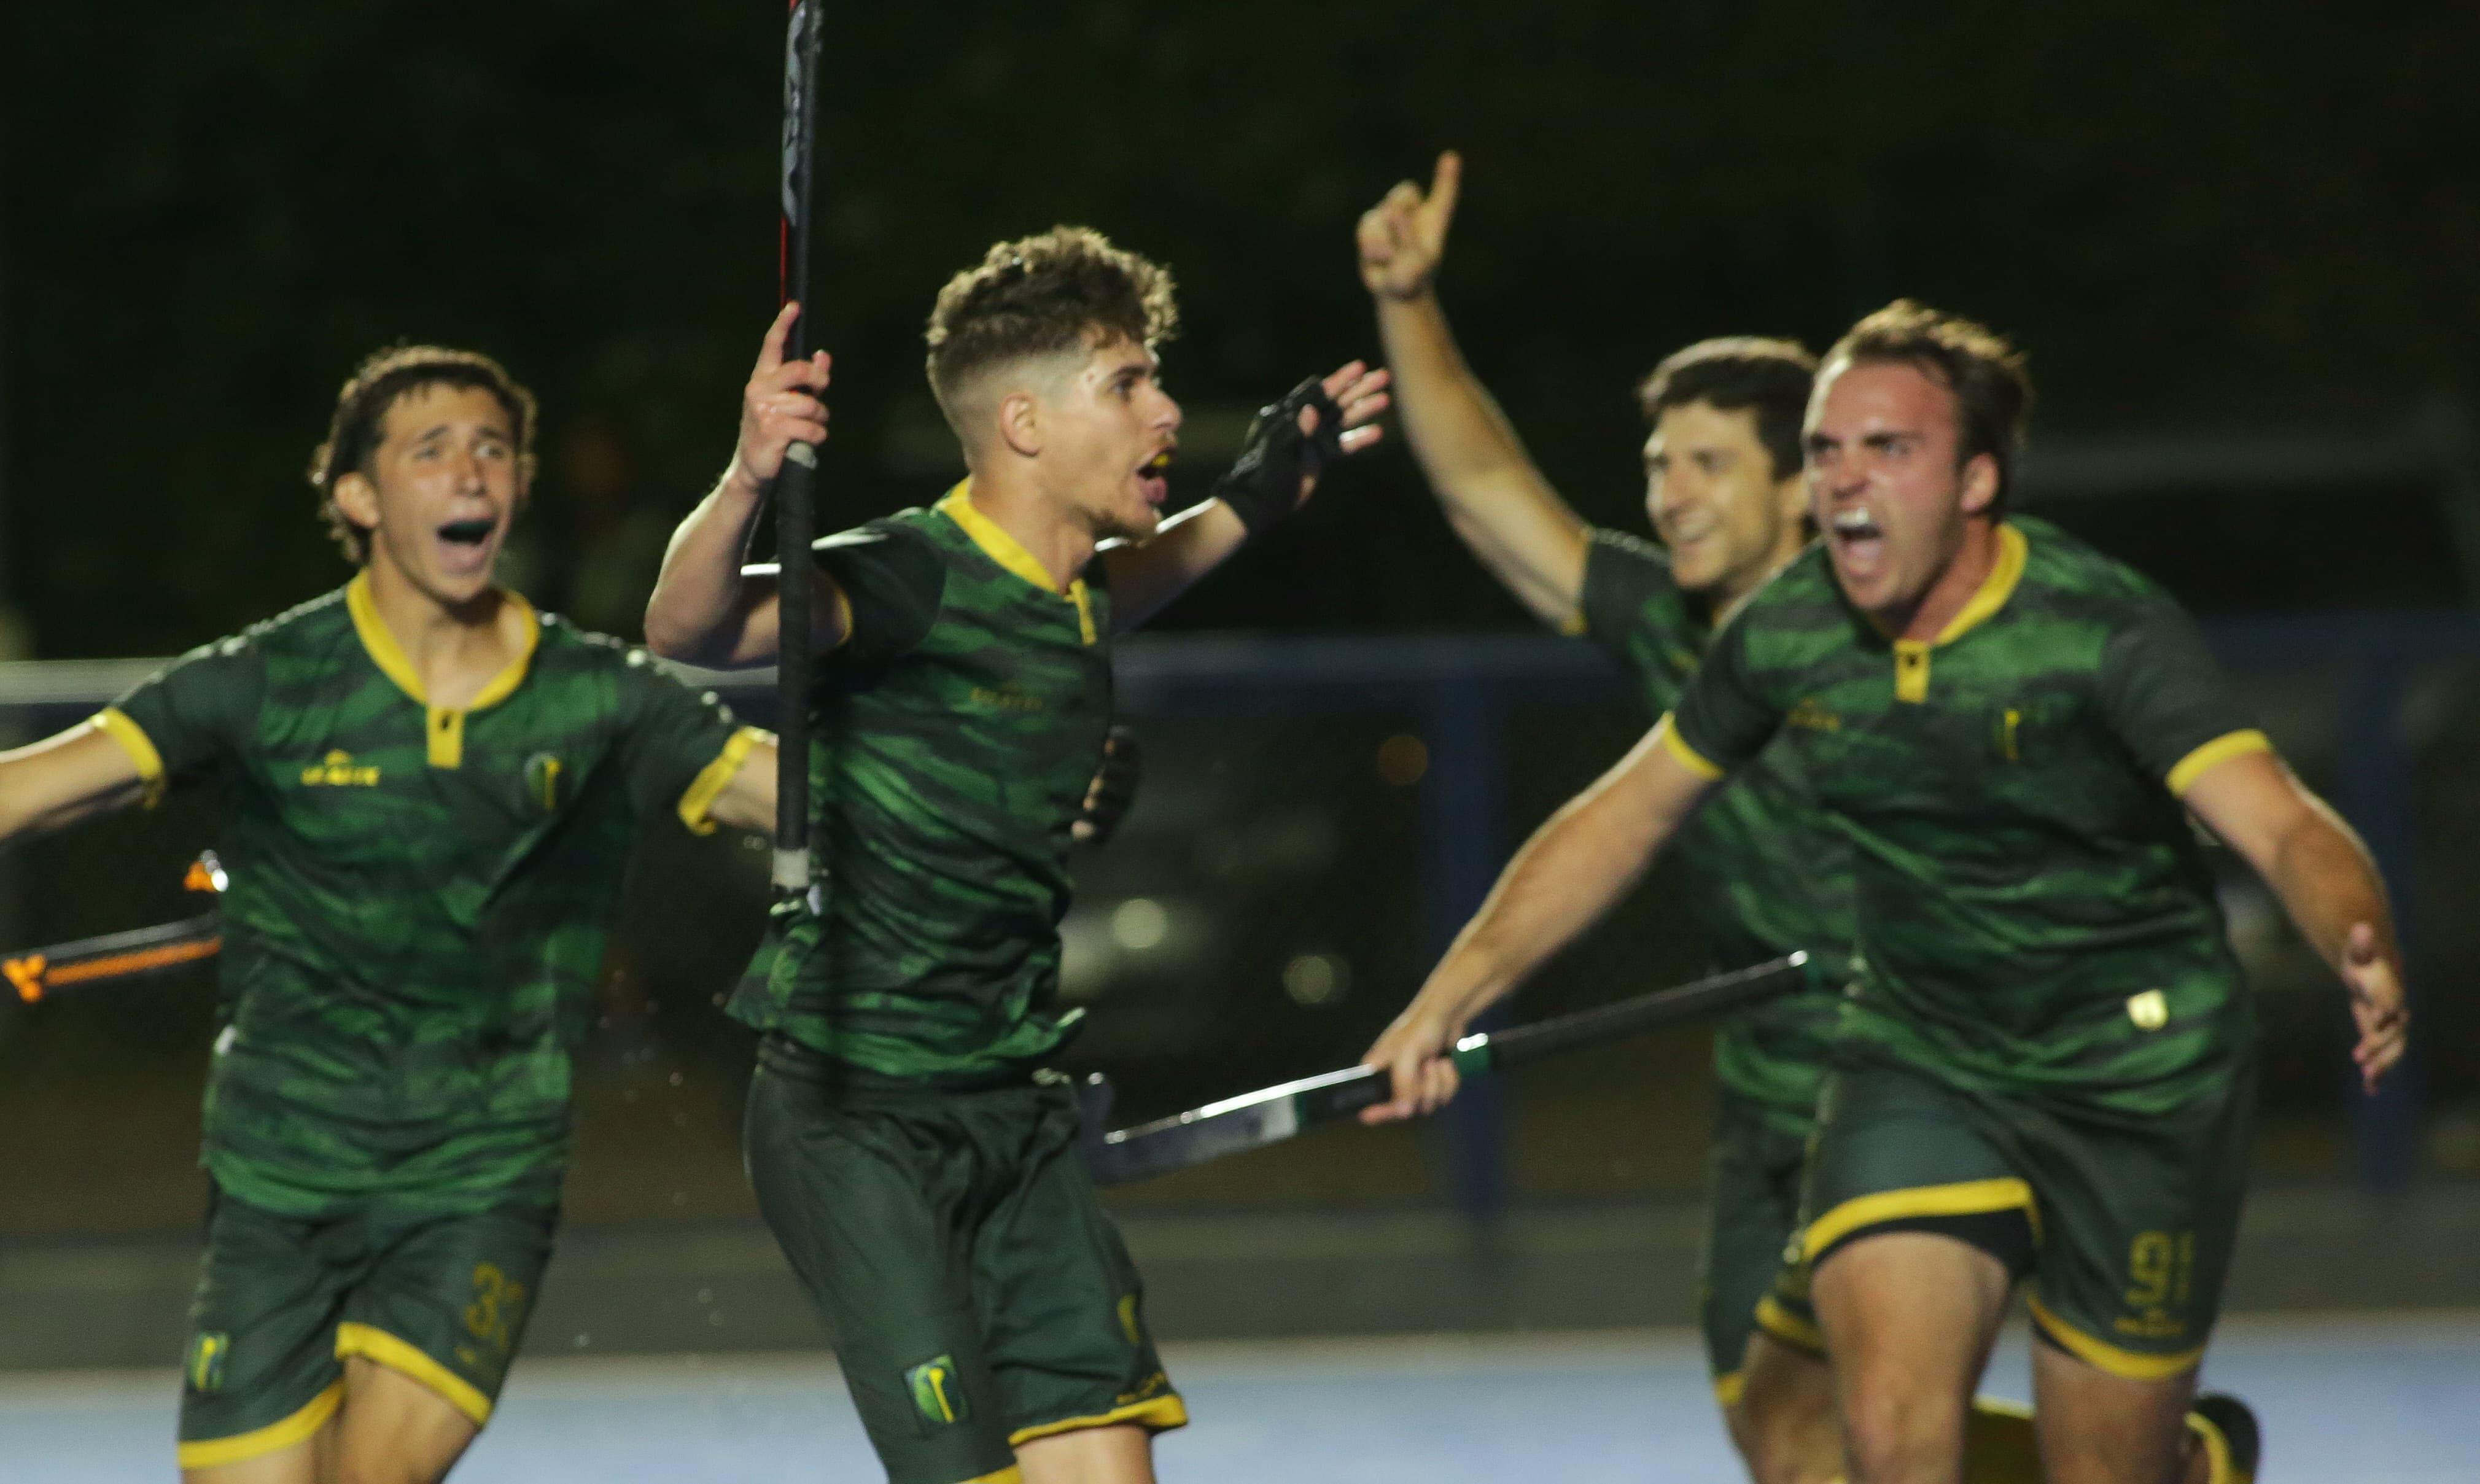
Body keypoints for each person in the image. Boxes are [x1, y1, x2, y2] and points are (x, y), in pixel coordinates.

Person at [1365, 300, 2400, 1484]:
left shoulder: (2097, 628)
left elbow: (2278, 820)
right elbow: (1617, 818)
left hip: (2136, 1077)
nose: (1848, 478)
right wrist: (1448, 997)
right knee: (1879, 1441)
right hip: (1921, 1056)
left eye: (1888, 450)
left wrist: (2356, 933)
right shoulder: (1778, 634)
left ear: (1975, 479)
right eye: (1827, 449)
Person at [643, 225, 1389, 1484]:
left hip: (1013, 1109)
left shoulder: (1075, 594)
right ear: (1025, 424)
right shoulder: (906, 578)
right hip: (854, 1114)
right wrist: (746, 477)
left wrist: (1265, 488)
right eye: (1129, 385)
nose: (1165, 410)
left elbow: (1143, 578)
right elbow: (688, 625)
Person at [0, 345, 779, 1483]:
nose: (470, 472)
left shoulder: (603, 695)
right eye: (432, 450)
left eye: (494, 449)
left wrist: (1036, 792)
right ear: (360, 498)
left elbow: (817, 797)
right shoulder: (268, 679)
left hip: (479, 1174)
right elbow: (29, 788)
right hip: (279, 1175)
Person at [1356, 150, 1852, 1477]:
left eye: (1704, 462)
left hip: (1922, 1080)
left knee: (1894, 1419)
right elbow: (1483, 494)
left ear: (1804, 484)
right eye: (1655, 463)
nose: (1667, 491)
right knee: (1778, 1433)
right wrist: (1406, 304)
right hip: (1765, 1107)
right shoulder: (1666, 621)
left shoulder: (1894, 635)